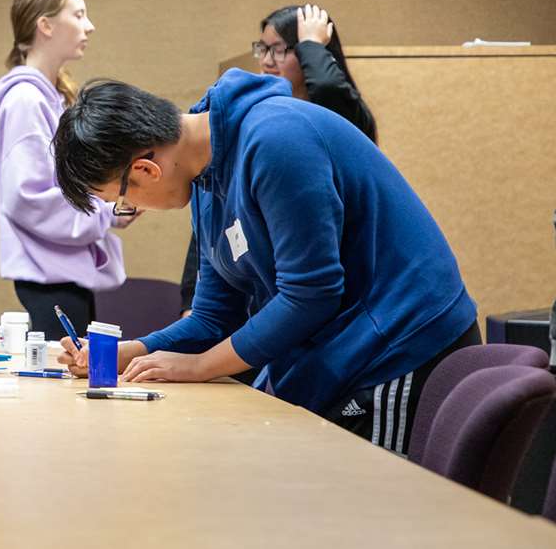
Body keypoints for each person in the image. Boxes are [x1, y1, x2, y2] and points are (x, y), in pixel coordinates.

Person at [52, 71, 478, 455]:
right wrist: (133, 352)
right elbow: (214, 316)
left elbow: (311, 294)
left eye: (120, 201)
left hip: (398, 348)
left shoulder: (276, 141)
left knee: (368, 513)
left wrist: (199, 366)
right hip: (345, 353)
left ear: (146, 169)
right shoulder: (205, 179)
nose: (128, 210)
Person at [180, 4, 376, 316]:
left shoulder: (336, 116)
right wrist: (191, 300)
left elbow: (327, 88)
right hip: (270, 298)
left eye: (281, 50)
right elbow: (214, 218)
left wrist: (311, 43)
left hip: (338, 299)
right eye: (263, 49)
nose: (268, 61)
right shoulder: (247, 119)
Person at [0, 0, 126, 340]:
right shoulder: (25, 102)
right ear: (45, 26)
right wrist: (102, 213)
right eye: (78, 15)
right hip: (51, 279)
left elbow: (70, 187)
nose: (89, 25)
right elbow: (28, 197)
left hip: (67, 273)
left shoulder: (54, 99)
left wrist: (112, 207)